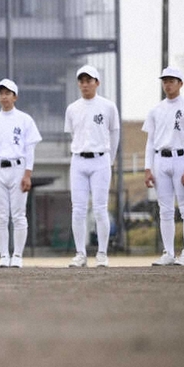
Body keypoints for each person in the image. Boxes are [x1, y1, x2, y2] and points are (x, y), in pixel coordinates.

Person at [0, 78, 42, 269]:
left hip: (18, 168)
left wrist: (28, 174)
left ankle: (18, 255)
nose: (3, 97)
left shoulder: (24, 119)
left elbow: (30, 149)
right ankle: (4, 255)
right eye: (1, 93)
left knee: (19, 214)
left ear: (15, 97)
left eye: (7, 93)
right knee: (1, 215)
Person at [64, 65, 120, 268]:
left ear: (97, 82)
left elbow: (114, 133)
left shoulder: (107, 106)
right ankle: (80, 253)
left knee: (100, 208)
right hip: (78, 159)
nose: (85, 84)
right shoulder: (72, 108)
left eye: (89, 80)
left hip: (101, 159)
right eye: (82, 80)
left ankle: (102, 253)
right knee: (78, 209)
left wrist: (109, 159)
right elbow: (73, 134)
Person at [143, 67, 184, 267]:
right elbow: (150, 141)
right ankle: (168, 252)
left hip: (181, 157)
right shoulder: (156, 110)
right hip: (161, 159)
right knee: (165, 210)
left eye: (172, 80)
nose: (168, 84)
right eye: (165, 80)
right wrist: (148, 167)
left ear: (180, 83)